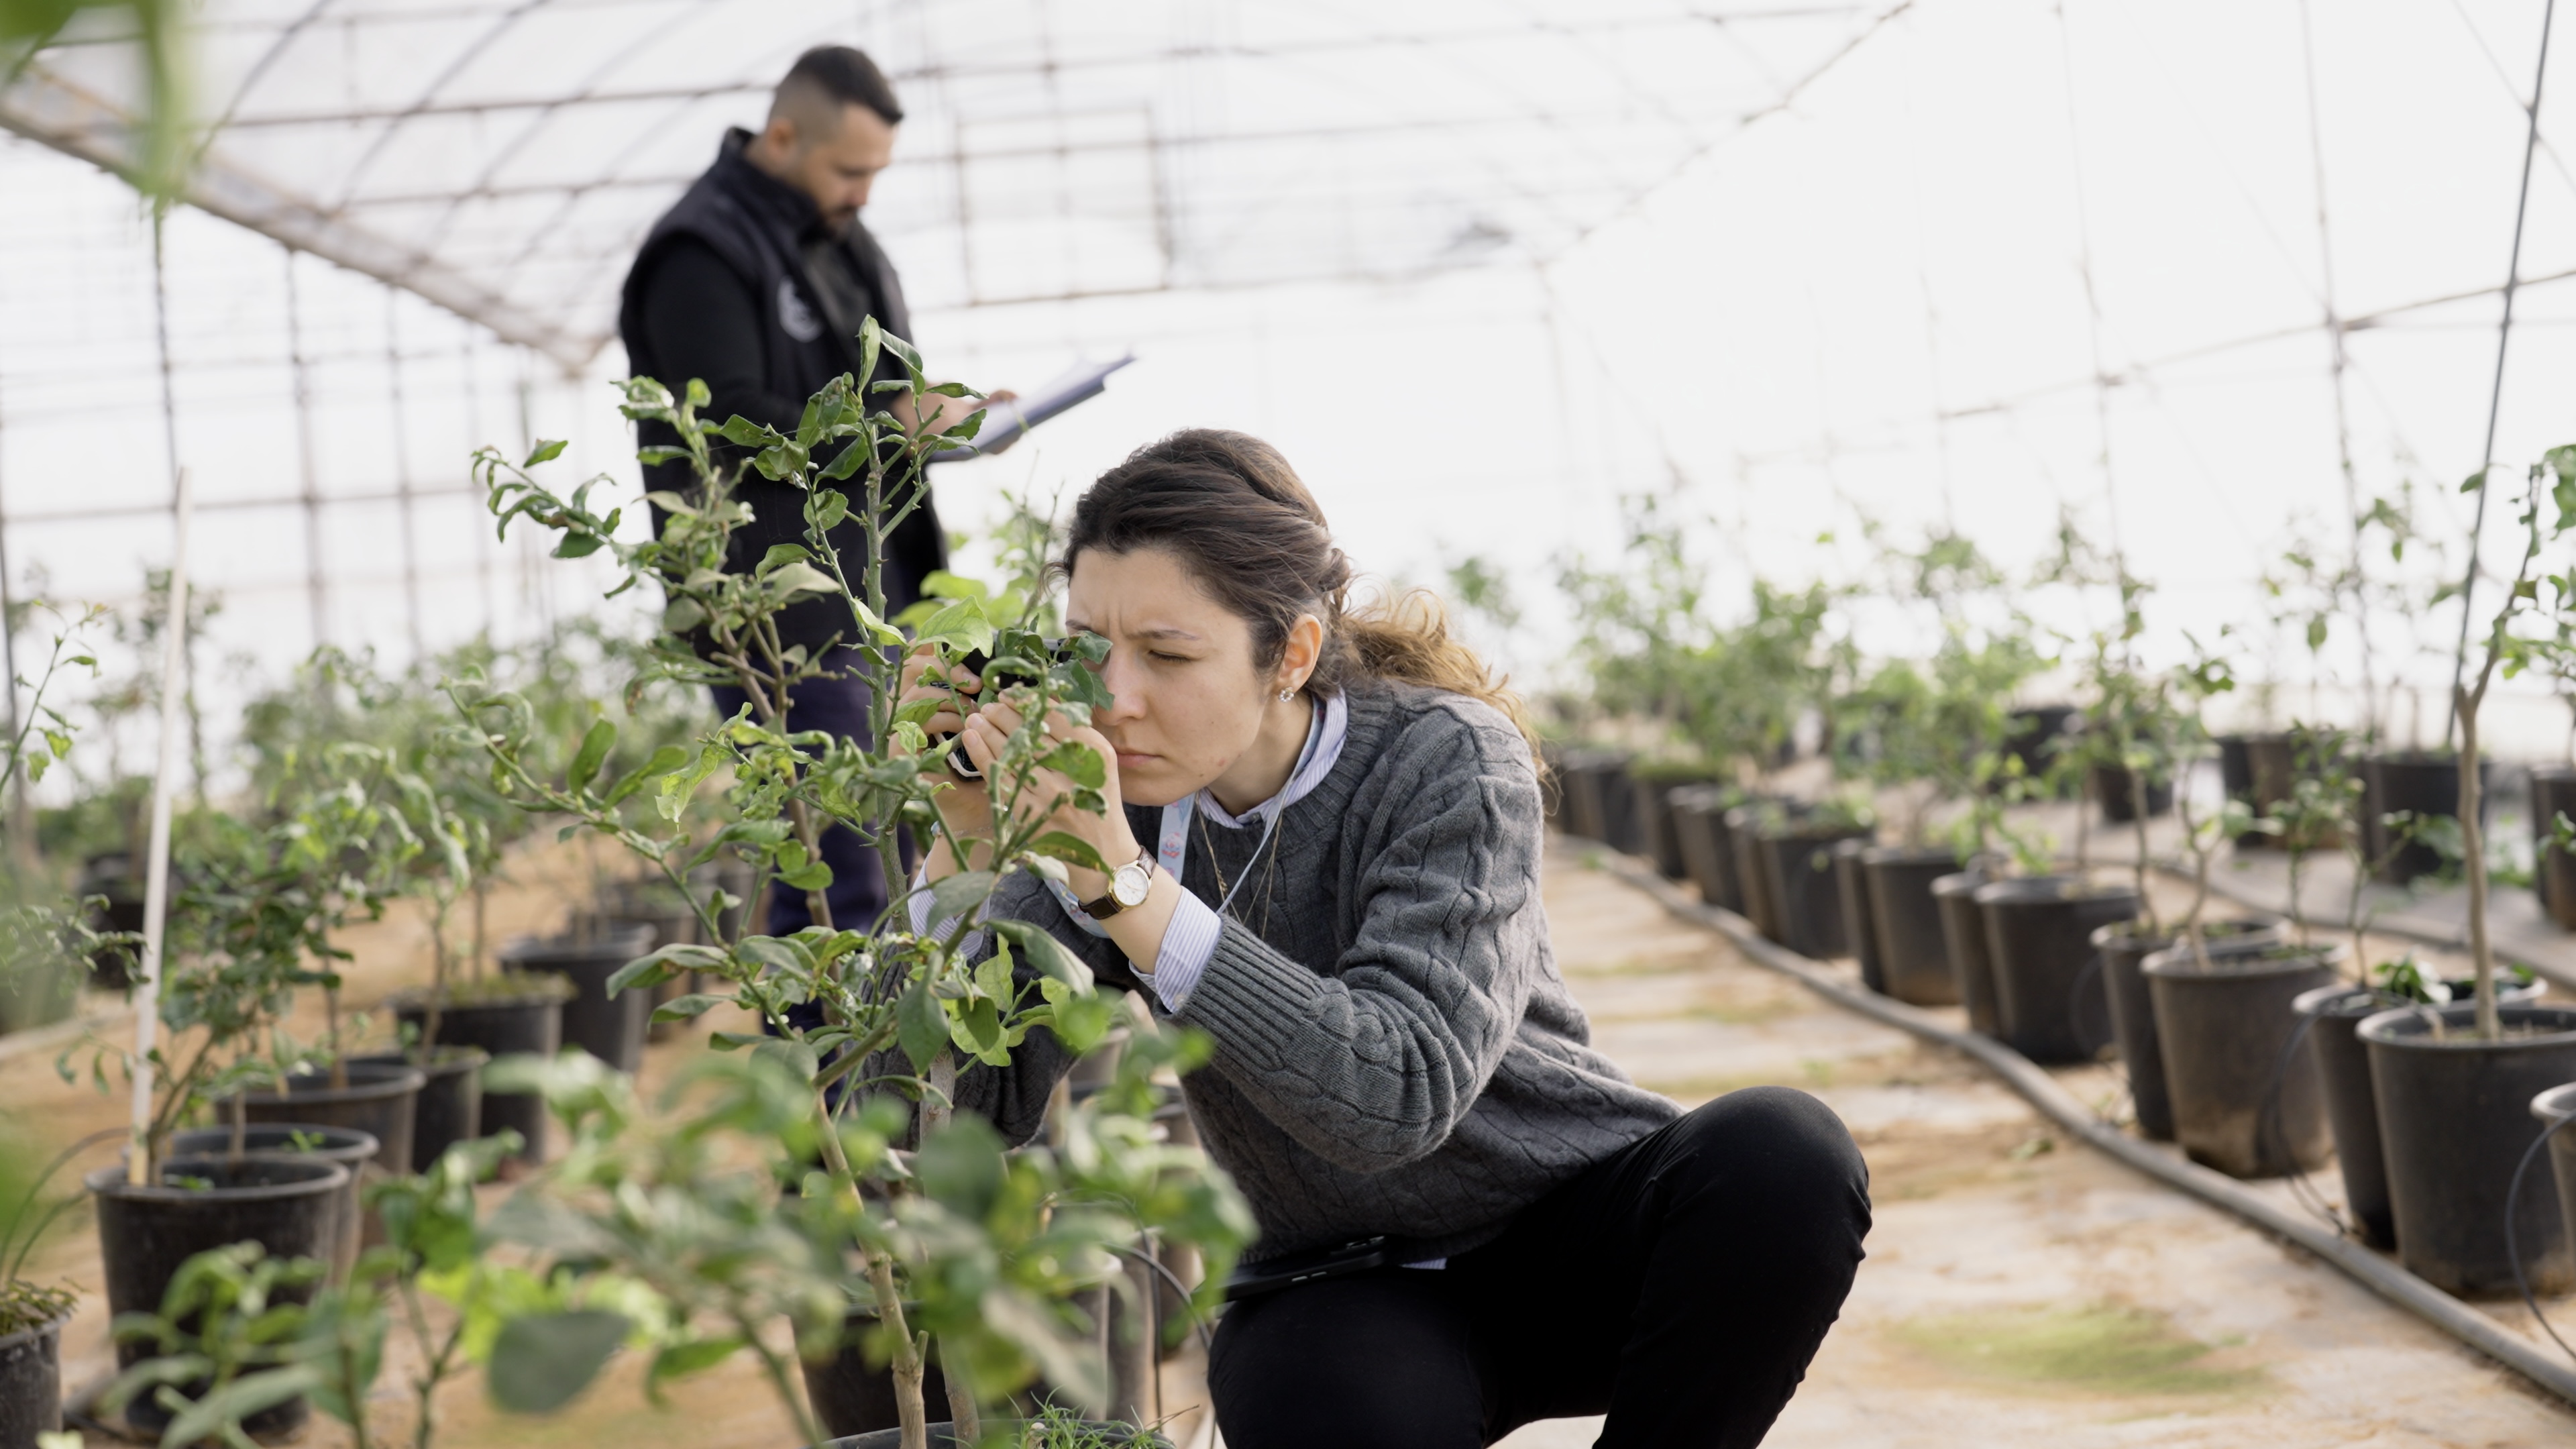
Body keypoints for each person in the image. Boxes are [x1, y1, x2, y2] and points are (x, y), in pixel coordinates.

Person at [894, 429, 1871, 1448]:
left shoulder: (1444, 759)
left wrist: (1127, 891)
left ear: (1294, 654)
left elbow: (1397, 1095)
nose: (1115, 698)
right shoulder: (1109, 803)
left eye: (1168, 654)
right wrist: (958, 861)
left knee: (1781, 1157)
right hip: (1341, 1289)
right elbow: (940, 1125)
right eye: (1086, 648)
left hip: (1564, 1233)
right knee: (1322, 1392)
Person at [619, 44, 998, 938]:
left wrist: (936, 415)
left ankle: (885, 1073)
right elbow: (732, 421)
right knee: (836, 871)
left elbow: (873, 387)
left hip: (872, 600)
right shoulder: (700, 250)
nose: (864, 190)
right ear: (785, 136)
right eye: (850, 168)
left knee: (901, 849)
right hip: (780, 622)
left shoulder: (838, 236)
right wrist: (892, 426)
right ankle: (833, 1080)